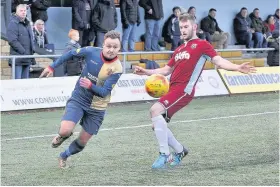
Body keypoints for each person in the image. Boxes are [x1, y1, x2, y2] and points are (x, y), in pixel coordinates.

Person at [133, 13, 256, 169]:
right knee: (157, 125)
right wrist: (146, 72)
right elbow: (166, 69)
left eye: (186, 27)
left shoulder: (202, 45)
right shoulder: (179, 49)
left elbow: (218, 60)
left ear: (194, 27)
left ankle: (165, 154)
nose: (183, 30)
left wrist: (237, 67)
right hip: (172, 89)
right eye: (181, 27)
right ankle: (179, 150)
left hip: (184, 90)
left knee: (155, 110)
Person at [39, 30, 123, 168]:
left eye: (115, 47)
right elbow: (70, 54)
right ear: (103, 45)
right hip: (79, 98)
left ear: (119, 48)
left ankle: (64, 155)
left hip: (98, 107)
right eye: (108, 46)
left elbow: (104, 92)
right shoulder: (91, 51)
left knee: (82, 142)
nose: (111, 50)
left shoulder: (117, 68)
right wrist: (51, 66)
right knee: (64, 130)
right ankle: (63, 136)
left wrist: (90, 85)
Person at [7, 4, 34, 79]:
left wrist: (31, 53)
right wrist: (24, 52)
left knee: (25, 85)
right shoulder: (13, 23)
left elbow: (31, 39)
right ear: (16, 12)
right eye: (21, 11)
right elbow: (12, 40)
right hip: (18, 59)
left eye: (25, 10)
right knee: (17, 84)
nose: (23, 12)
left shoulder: (27, 23)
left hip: (27, 58)